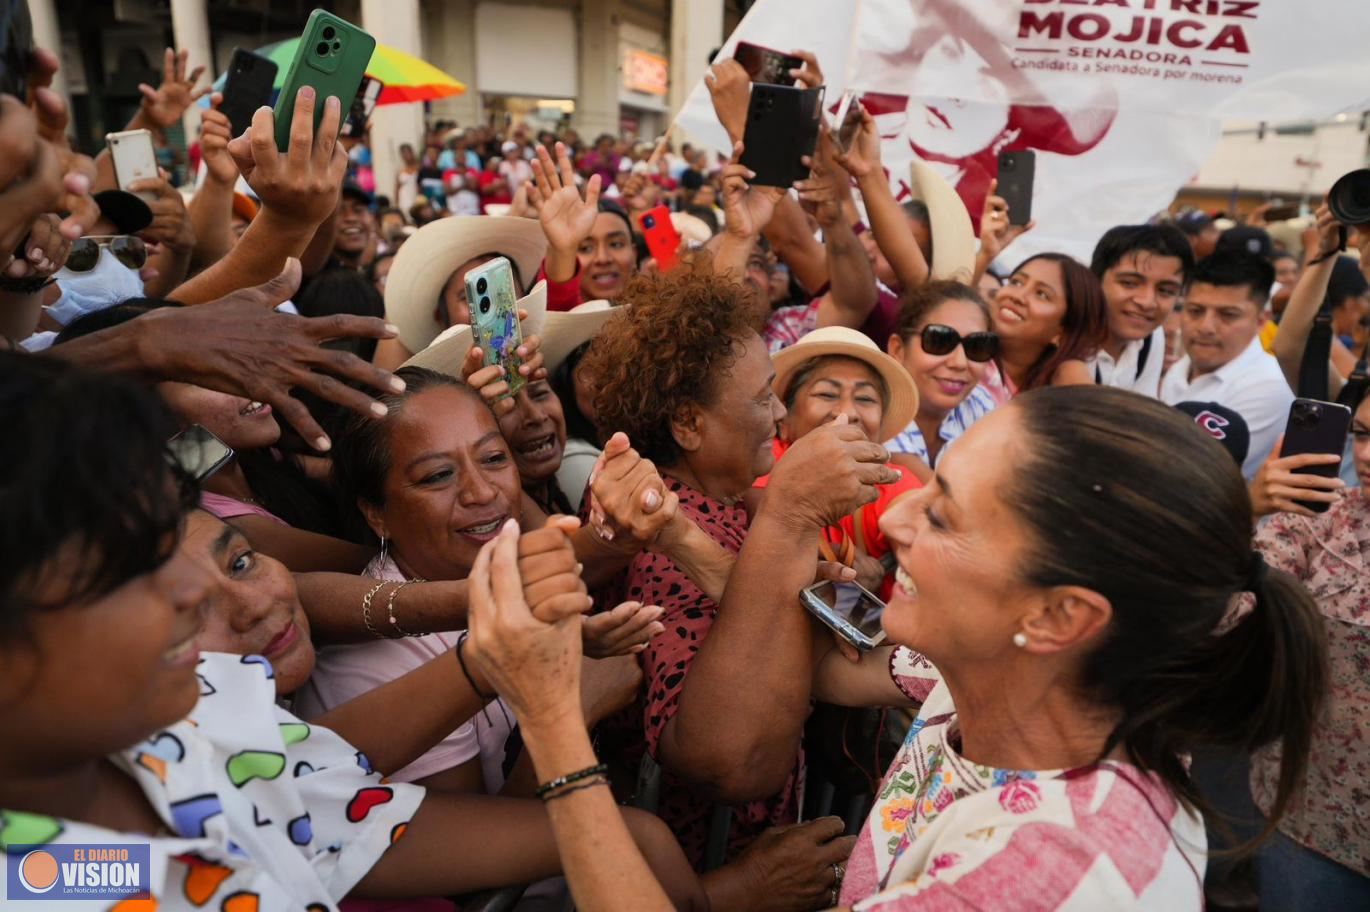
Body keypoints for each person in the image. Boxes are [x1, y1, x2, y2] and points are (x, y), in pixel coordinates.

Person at [463, 385, 1328, 911]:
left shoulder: (1046, 873)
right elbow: (829, 626)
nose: (898, 520)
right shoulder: (1007, 676)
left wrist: (550, 720)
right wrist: (679, 532)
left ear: (1061, 616)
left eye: (943, 513)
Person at [0, 352, 711, 910]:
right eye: (128, 568)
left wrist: (508, 642)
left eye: (493, 459)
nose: (192, 591)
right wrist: (560, 716)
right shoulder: (44, 883)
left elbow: (343, 798)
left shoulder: (207, 715)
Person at [582, 261, 898, 867]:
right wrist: (791, 515)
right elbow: (725, 762)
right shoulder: (654, 546)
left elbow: (846, 638)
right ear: (688, 424)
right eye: (762, 399)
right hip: (702, 869)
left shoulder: (729, 507)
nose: (781, 417)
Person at [1248, 388, 1370, 909]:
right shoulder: (1317, 517)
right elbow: (1225, 616)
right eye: (1362, 434)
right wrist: (1244, 507)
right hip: (1313, 819)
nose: (1364, 455)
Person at [762, 326, 922, 597]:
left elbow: (921, 529)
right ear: (784, 422)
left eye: (865, 399)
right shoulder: (764, 462)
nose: (847, 413)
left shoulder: (892, 480)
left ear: (881, 432)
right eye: (826, 394)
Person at [1161, 252, 1292, 479]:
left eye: (1228, 315)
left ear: (1261, 320)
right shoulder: (1180, 368)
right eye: (1195, 311)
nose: (1206, 327)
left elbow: (1192, 476)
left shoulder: (1269, 387)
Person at [374, 215, 547, 369]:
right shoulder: (430, 394)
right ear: (440, 317)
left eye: (502, 292)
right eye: (470, 297)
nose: (493, 310)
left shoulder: (539, 368)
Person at [884, 281, 998, 476]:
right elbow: (934, 500)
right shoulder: (874, 409)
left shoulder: (979, 403)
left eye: (977, 345)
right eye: (939, 341)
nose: (960, 362)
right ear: (898, 349)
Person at [980, 253, 1108, 403]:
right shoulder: (961, 358)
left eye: (1041, 294)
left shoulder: (1056, 399)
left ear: (1063, 332)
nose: (1017, 296)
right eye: (1016, 282)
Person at [1086, 224, 1194, 396]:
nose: (1147, 302)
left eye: (1165, 291)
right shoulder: (1064, 339)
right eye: (1129, 283)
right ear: (1094, 280)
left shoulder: (1151, 337)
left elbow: (1139, 415)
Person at [395, 143, 420, 214]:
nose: (406, 155)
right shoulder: (400, 171)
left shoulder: (419, 168)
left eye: (408, 152)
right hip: (404, 200)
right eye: (404, 153)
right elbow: (397, 188)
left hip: (416, 197)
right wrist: (396, 204)